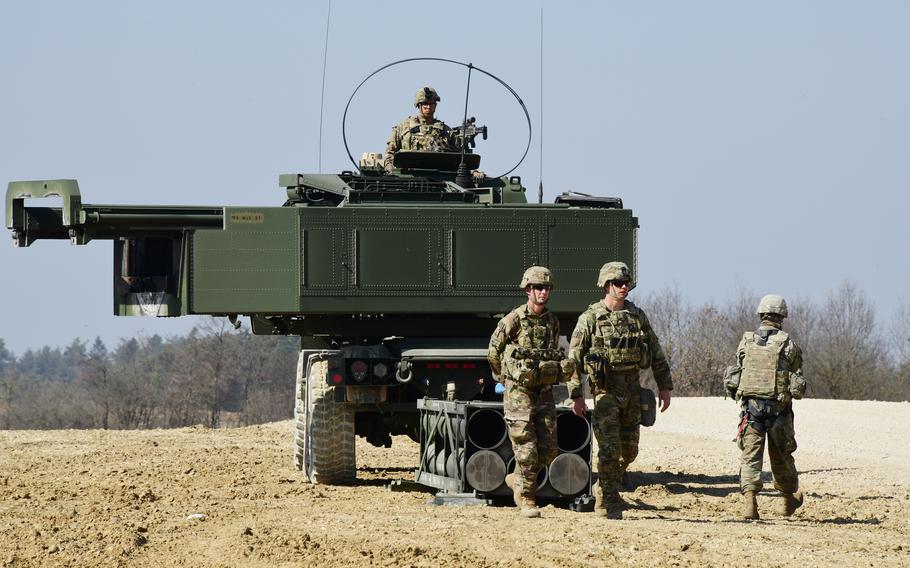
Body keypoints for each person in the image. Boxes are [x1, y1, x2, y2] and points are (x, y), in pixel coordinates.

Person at [567, 261, 673, 518]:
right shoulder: (590, 318)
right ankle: (608, 502)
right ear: (606, 285)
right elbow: (572, 360)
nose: (624, 287)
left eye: (626, 283)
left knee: (629, 450)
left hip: (633, 390)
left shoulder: (637, 316)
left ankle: (604, 485)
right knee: (609, 449)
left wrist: (664, 386)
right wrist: (576, 395)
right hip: (605, 392)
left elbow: (656, 351)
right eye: (618, 283)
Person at [488, 266, 570, 518]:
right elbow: (493, 351)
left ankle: (517, 479)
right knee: (526, 447)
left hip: (543, 391)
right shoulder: (512, 320)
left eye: (546, 288)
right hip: (518, 392)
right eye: (537, 288)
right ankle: (527, 498)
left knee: (549, 450)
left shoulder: (552, 322)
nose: (542, 292)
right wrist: (506, 378)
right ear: (527, 290)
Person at [725, 294, 806, 520]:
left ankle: (750, 503)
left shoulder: (746, 342)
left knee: (751, 456)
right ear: (782, 316)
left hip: (751, 410)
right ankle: (787, 500)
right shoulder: (788, 344)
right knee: (782, 456)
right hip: (779, 411)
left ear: (761, 315)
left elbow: (738, 370)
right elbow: (797, 380)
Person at [384, 86, 457, 172]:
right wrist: (391, 169)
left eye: (431, 104)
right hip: (409, 177)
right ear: (419, 105)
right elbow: (390, 153)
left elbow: (460, 157)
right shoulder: (404, 127)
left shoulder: (445, 131)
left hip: (439, 177)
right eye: (425, 104)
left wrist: (472, 171)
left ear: (435, 105)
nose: (428, 107)